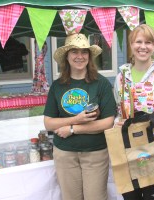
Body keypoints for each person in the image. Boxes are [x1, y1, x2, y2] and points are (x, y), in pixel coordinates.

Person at [43, 33, 116, 200]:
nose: (79, 56)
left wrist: (72, 129)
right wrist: (76, 119)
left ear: (89, 57)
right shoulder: (57, 86)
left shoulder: (101, 83)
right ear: (67, 56)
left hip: (95, 153)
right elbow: (48, 123)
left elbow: (107, 122)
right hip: (65, 154)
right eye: (74, 52)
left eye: (84, 52)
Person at [113, 24, 154, 200]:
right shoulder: (121, 77)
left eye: (148, 42)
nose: (143, 46)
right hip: (127, 148)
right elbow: (118, 112)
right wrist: (117, 123)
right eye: (138, 41)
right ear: (131, 44)